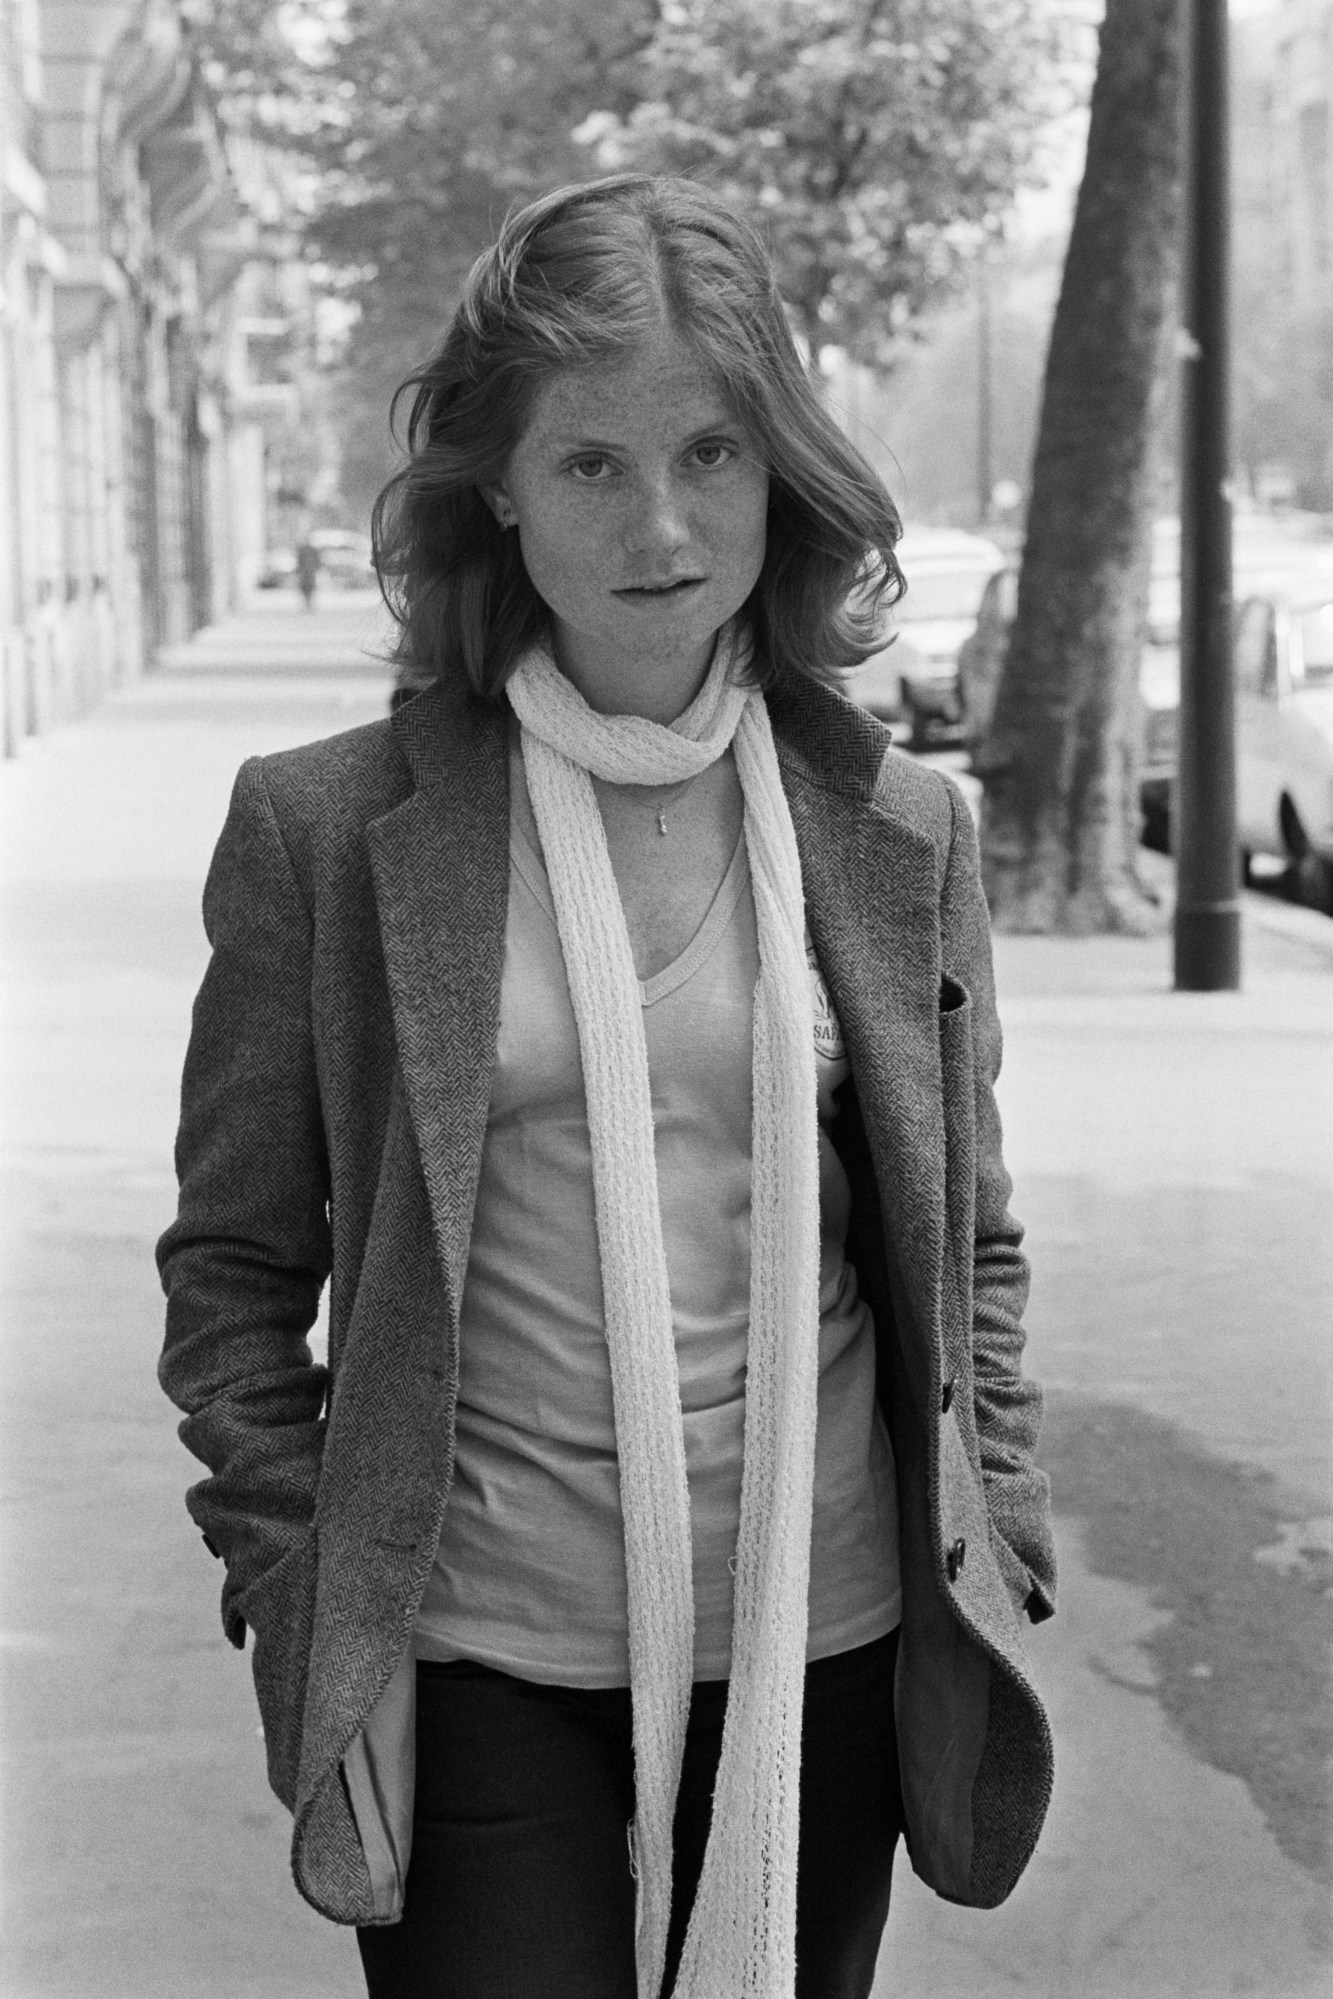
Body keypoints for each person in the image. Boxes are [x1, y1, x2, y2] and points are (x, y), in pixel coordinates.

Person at [157, 174, 1056, 1999]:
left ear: (778, 463)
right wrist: (306, 1600)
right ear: (494, 479)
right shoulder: (332, 834)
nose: (661, 524)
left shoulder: (895, 835)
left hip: (832, 1656)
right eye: (589, 464)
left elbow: (969, 1242)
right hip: (485, 1665)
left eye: (713, 452)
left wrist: (1002, 1520)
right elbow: (235, 1283)